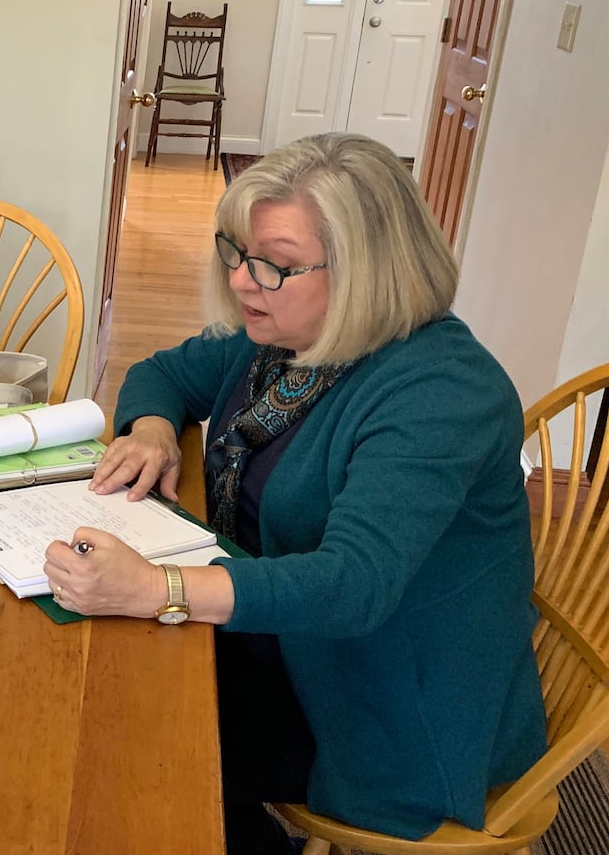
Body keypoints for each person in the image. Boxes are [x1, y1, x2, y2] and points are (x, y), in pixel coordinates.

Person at [43, 133, 547, 852]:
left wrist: (160, 589)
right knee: (101, 697)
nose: (245, 282)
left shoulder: (441, 391)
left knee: (122, 752)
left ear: (369, 271)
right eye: (240, 254)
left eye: (276, 265)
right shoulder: (288, 336)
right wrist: (153, 430)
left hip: (390, 705)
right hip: (293, 646)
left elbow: (353, 584)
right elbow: (164, 372)